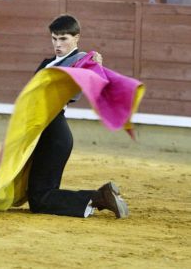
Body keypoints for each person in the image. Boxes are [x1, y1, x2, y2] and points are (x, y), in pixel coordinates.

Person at [27, 14, 129, 218]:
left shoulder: (79, 60)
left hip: (53, 132)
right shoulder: (48, 62)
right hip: (45, 129)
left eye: (63, 39)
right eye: (54, 38)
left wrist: (93, 60)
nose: (58, 44)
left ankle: (98, 197)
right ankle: (100, 196)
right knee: (40, 194)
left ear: (76, 38)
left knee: (40, 198)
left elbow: (89, 66)